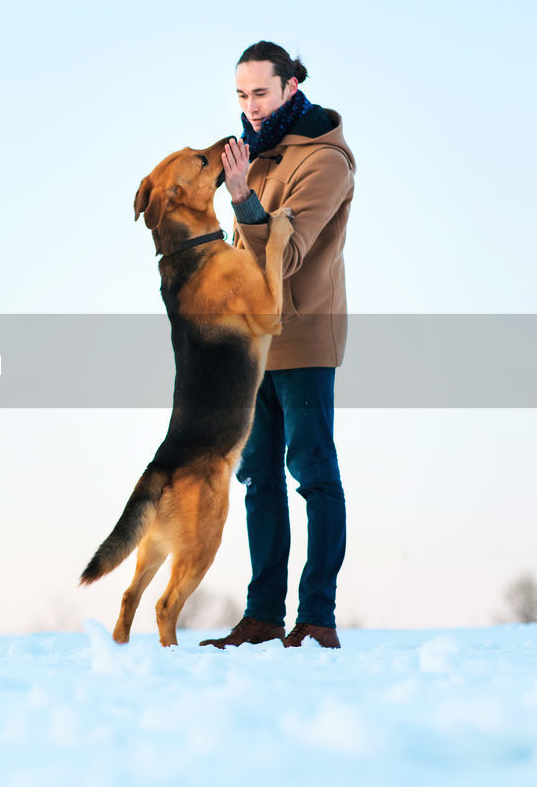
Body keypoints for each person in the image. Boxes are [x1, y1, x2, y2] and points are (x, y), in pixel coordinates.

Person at [199, 41, 356, 650]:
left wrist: (241, 198)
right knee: (257, 479)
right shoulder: (257, 155)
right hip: (254, 345)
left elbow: (284, 255)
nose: (251, 106)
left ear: (292, 86)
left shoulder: (326, 162)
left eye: (261, 92)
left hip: (306, 339)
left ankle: (317, 617)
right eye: (241, 94)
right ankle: (262, 617)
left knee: (313, 473)